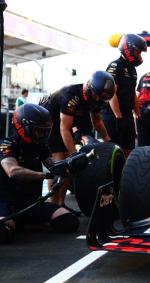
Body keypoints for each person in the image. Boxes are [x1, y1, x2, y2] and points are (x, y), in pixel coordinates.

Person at [0, 104, 79, 244]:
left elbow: (54, 166)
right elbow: (12, 171)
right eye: (38, 131)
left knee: (69, 222)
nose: (42, 135)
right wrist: (44, 175)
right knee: (3, 233)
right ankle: (15, 223)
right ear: (22, 127)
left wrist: (72, 164)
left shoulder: (40, 147)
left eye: (44, 131)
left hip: (32, 204)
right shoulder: (7, 145)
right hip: (8, 204)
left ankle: (24, 223)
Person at [44, 71, 114, 211]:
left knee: (72, 166)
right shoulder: (71, 96)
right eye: (97, 96)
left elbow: (97, 121)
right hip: (52, 121)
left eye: (102, 99)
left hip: (75, 116)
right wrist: (73, 155)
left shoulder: (97, 98)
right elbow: (64, 129)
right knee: (61, 162)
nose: (98, 100)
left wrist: (108, 139)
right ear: (89, 88)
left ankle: (61, 204)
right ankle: (53, 206)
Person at [103, 33, 147, 155]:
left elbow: (132, 94)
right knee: (114, 152)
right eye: (139, 52)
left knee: (129, 150)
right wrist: (118, 117)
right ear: (129, 50)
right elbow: (112, 93)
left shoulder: (133, 70)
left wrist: (138, 115)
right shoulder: (115, 65)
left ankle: (127, 174)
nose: (140, 56)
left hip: (126, 116)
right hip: (113, 116)